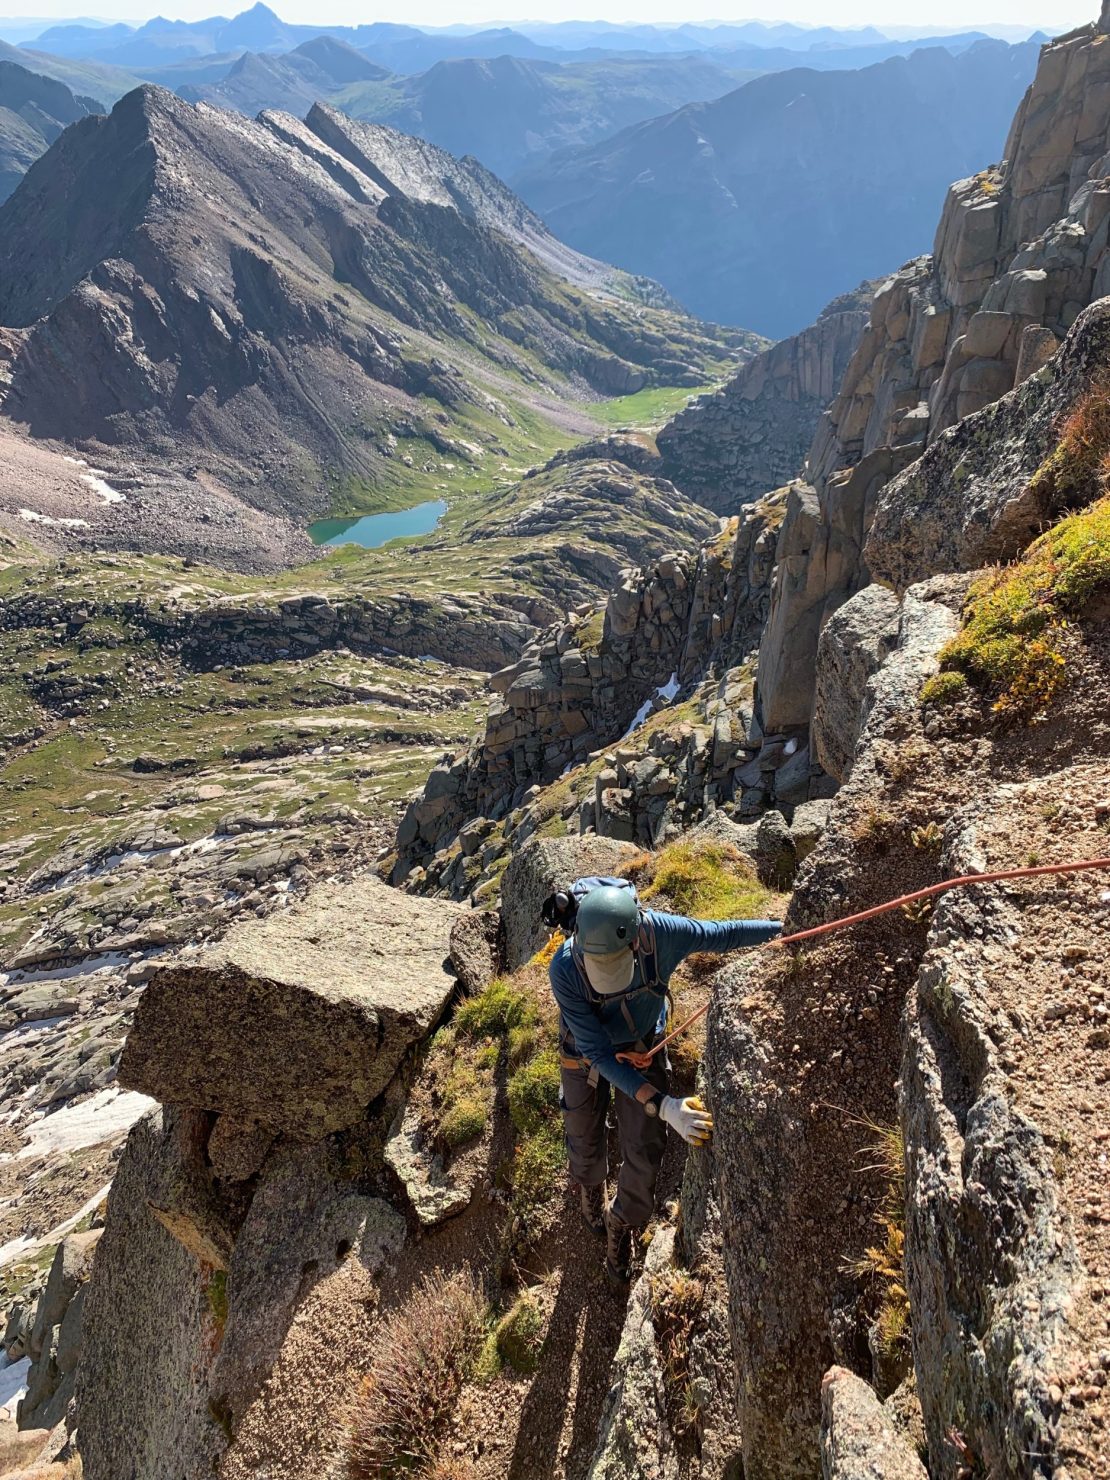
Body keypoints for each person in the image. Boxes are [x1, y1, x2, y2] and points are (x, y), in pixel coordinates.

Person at [548, 883, 782, 1284]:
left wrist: (784, 929)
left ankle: (621, 1222)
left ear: (637, 938)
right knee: (583, 1131)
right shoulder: (565, 968)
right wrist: (663, 1103)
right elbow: (600, 1055)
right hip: (587, 1052)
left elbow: (722, 934)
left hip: (643, 1046)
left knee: (645, 1146)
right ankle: (591, 1185)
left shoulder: (661, 934)